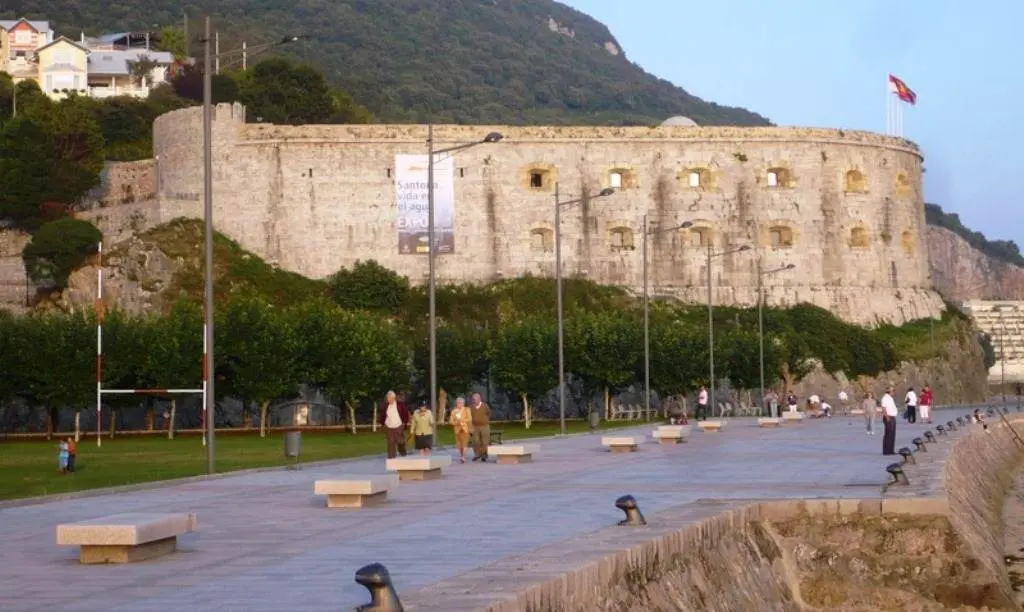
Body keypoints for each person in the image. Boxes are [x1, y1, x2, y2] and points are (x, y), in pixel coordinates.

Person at [379, 390, 410, 459]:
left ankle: (403, 453)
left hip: (398, 425)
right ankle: (391, 458)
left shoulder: (400, 405)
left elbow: (405, 414)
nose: (389, 400)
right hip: (388, 426)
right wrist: (382, 424)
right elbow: (382, 415)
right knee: (390, 442)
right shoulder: (385, 406)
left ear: (394, 398)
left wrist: (404, 423)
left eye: (391, 398)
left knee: (400, 441)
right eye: (388, 398)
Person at [469, 392, 492, 462]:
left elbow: (489, 414)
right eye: (473, 399)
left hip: (484, 426)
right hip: (475, 426)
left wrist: (485, 420)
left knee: (485, 441)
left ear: (479, 399)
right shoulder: (471, 407)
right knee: (475, 441)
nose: (474, 400)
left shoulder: (485, 406)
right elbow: (469, 416)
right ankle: (477, 455)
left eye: (475, 399)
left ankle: (484, 455)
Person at [449, 396, 472, 463]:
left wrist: (463, 420)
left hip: (465, 429)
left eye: (461, 402)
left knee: (464, 444)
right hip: (457, 429)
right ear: (456, 403)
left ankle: (463, 457)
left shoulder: (467, 409)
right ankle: (462, 455)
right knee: (459, 445)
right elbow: (451, 421)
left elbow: (469, 419)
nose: (460, 404)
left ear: (463, 403)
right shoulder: (454, 411)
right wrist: (456, 422)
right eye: (458, 403)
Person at [881, 385, 898, 455]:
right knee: (888, 434)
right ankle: (886, 451)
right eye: (893, 391)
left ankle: (891, 450)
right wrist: (887, 416)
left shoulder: (890, 398)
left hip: (893, 417)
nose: (894, 392)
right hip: (888, 417)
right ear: (889, 391)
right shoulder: (885, 398)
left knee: (892, 434)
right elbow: (883, 408)